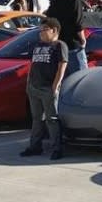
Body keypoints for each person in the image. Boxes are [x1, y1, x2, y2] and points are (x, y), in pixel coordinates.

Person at [20, 17, 68, 161]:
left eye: (44, 30)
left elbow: (62, 66)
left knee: (51, 119)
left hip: (48, 88)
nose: (41, 33)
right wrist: (29, 83)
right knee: (36, 119)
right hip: (34, 86)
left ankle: (57, 148)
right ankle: (35, 146)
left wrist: (55, 85)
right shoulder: (38, 45)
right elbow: (33, 65)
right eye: (40, 30)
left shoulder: (59, 45)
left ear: (54, 30)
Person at [46, 0, 88, 76]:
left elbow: (49, 18)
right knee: (80, 77)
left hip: (58, 43)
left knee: (60, 75)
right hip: (72, 44)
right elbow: (77, 22)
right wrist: (82, 39)